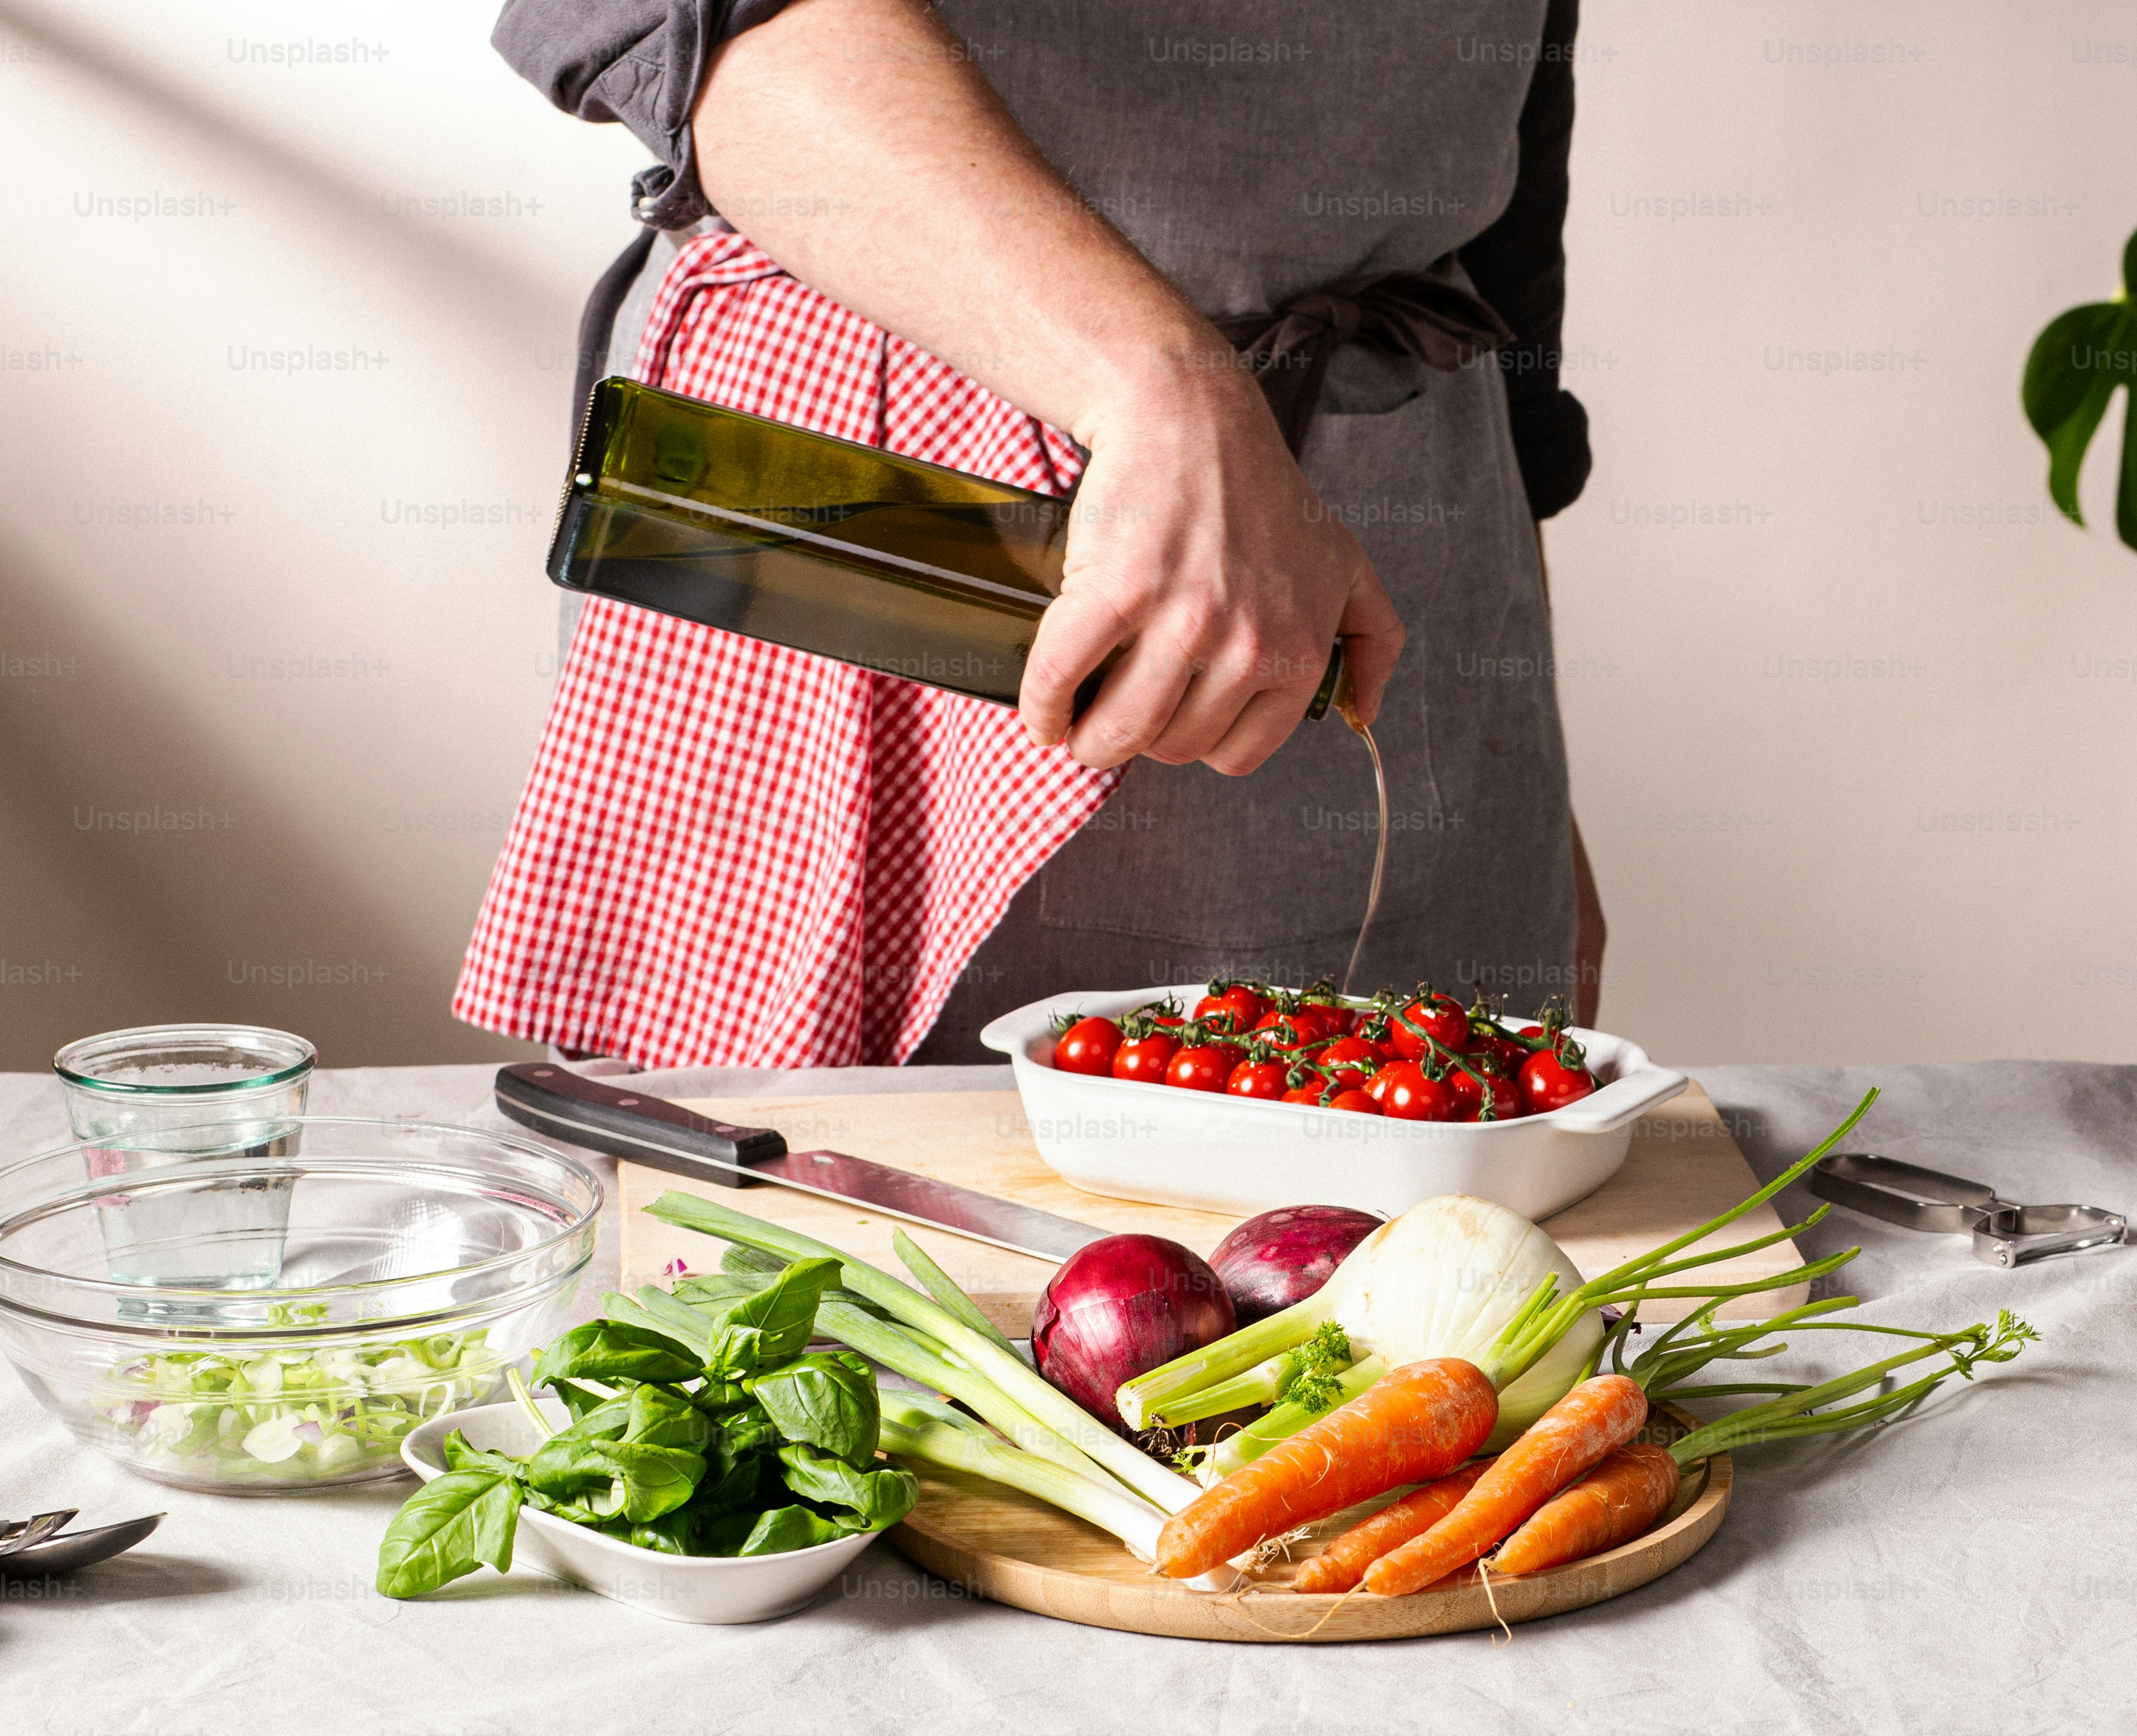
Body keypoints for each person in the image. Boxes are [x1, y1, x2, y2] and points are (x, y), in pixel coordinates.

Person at [457, 0, 1603, 1068]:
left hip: (1415, 514)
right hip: (877, 510)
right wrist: (1163, 393)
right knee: (816, 1227)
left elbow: (1508, 207)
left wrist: (1530, 771)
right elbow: (683, 20)